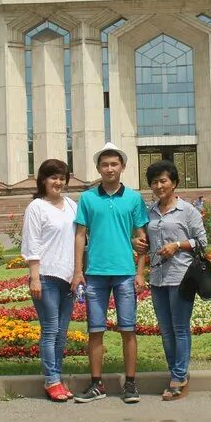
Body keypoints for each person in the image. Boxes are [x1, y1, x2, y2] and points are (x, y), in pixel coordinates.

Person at [72, 142, 148, 404]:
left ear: (123, 167)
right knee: (95, 329)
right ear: (98, 168)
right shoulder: (88, 198)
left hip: (125, 273)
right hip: (95, 273)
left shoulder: (134, 199)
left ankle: (131, 384)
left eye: (114, 164)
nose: (109, 168)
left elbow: (142, 237)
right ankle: (96, 384)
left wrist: (140, 272)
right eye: (104, 164)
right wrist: (77, 270)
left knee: (128, 329)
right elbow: (80, 236)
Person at [136, 159, 208, 400]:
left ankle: (179, 376)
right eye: (154, 182)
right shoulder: (150, 212)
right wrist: (136, 244)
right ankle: (175, 372)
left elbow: (202, 243)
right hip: (157, 279)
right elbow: (143, 244)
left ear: (174, 182)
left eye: (163, 181)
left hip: (181, 277)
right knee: (165, 330)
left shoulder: (188, 211)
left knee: (179, 328)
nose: (158, 186)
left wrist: (177, 245)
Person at [21, 159, 78, 402]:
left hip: (68, 277)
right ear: (43, 180)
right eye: (53, 177)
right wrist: (35, 276)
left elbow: (80, 239)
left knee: (62, 333)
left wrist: (79, 272)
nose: (58, 182)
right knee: (50, 330)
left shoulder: (72, 205)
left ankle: (57, 376)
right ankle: (51, 380)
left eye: (62, 177)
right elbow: (31, 242)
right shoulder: (37, 207)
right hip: (46, 276)